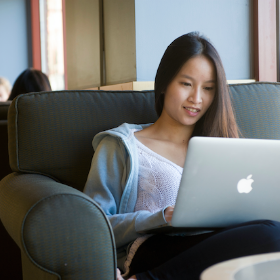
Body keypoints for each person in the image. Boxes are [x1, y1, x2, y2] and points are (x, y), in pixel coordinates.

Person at [83, 32, 280, 280]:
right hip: (154, 250)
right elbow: (93, 225)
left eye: (208, 88)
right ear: (165, 83)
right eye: (186, 84)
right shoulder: (123, 145)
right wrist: (160, 218)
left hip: (216, 246)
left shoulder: (225, 149)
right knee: (273, 235)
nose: (196, 99)